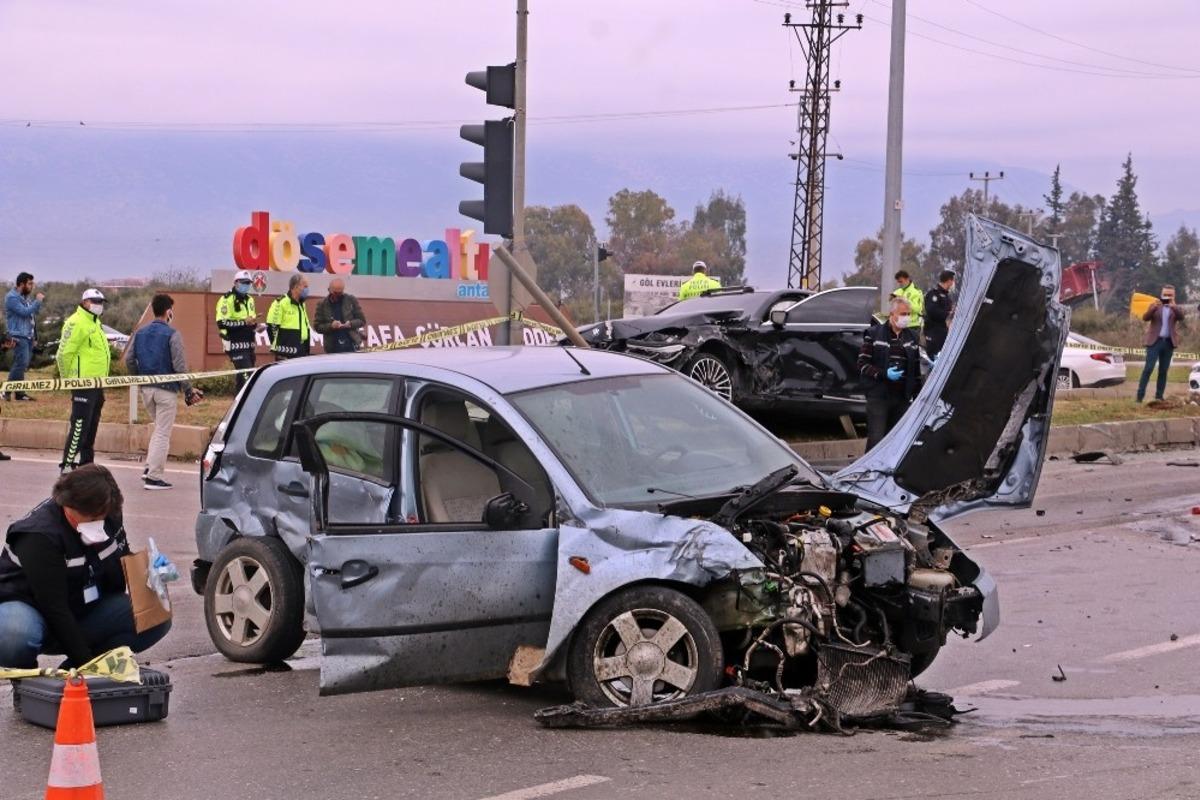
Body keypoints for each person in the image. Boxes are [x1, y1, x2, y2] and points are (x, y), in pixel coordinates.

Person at [0, 465, 170, 668]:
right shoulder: (39, 536)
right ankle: (29, 687)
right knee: (15, 634)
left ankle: (69, 676)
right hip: (33, 610)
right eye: (92, 519)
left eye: (102, 517)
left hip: (81, 607)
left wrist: (149, 573)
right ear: (68, 507)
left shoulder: (108, 516)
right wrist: (88, 666)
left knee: (155, 618)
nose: (98, 523)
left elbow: (118, 577)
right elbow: (54, 608)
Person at [126, 294, 203, 491]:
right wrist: (188, 390)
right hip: (166, 390)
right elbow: (179, 365)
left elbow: (129, 360)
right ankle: (153, 477)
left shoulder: (140, 333)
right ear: (169, 311)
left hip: (146, 390)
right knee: (162, 433)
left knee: (158, 429)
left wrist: (140, 379)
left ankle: (148, 467)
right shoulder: (172, 334)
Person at [57, 289, 111, 473]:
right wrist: (67, 380)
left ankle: (87, 465)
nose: (99, 305)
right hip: (82, 384)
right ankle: (67, 465)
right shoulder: (75, 322)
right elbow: (63, 353)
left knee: (92, 425)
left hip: (97, 384)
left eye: (101, 301)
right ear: (85, 302)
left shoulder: (96, 324)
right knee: (79, 425)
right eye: (96, 301)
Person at [858, 296, 922, 449]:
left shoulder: (912, 337)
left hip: (902, 398)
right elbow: (862, 364)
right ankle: (869, 471)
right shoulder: (874, 334)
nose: (905, 317)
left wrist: (918, 396)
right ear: (892, 314)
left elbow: (916, 369)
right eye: (903, 314)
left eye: (908, 314)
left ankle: (889, 472)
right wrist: (883, 373)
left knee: (895, 441)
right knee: (877, 438)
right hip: (879, 396)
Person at [1137, 284, 1187, 403]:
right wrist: (1153, 308)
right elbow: (1145, 318)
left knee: (1163, 370)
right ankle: (1139, 397)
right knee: (1148, 369)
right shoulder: (1155, 305)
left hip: (1168, 343)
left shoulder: (1176, 308)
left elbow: (1181, 317)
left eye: (1170, 295)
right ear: (1161, 294)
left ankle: (1159, 396)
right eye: (1165, 294)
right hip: (1154, 342)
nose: (1167, 297)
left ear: (1174, 296)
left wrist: (1174, 306)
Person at [3, 272, 45, 402]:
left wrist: (34, 337)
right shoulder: (12, 298)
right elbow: (24, 312)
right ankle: (5, 391)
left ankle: (20, 393)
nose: (32, 286)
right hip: (18, 335)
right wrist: (37, 301)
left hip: (27, 336)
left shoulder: (25, 298)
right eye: (30, 283)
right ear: (21, 284)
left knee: (22, 364)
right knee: (21, 363)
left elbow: (32, 315)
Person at [216, 270, 260, 391]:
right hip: (235, 345)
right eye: (244, 282)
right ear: (236, 283)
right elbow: (222, 323)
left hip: (249, 345)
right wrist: (243, 322)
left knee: (242, 382)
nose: (247, 285)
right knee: (249, 381)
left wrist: (256, 326)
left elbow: (250, 321)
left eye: (248, 283)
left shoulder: (250, 300)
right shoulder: (226, 299)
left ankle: (237, 407)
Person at [314, 278, 367, 353]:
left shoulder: (351, 300)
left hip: (352, 345)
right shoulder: (322, 304)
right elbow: (317, 326)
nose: (338, 296)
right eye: (335, 293)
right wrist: (331, 326)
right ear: (329, 290)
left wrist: (350, 324)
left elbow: (362, 320)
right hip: (332, 348)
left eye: (340, 293)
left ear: (343, 290)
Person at [266, 274, 312, 361]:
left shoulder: (302, 304)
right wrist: (279, 350)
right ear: (295, 287)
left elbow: (304, 327)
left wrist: (306, 350)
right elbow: (272, 326)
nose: (307, 290)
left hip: (301, 351)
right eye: (305, 286)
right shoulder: (281, 302)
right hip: (285, 353)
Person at [923, 270, 956, 358]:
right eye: (953, 281)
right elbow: (931, 310)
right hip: (933, 332)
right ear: (949, 281)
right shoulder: (934, 294)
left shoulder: (947, 298)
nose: (953, 283)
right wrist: (947, 313)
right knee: (933, 357)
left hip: (943, 333)